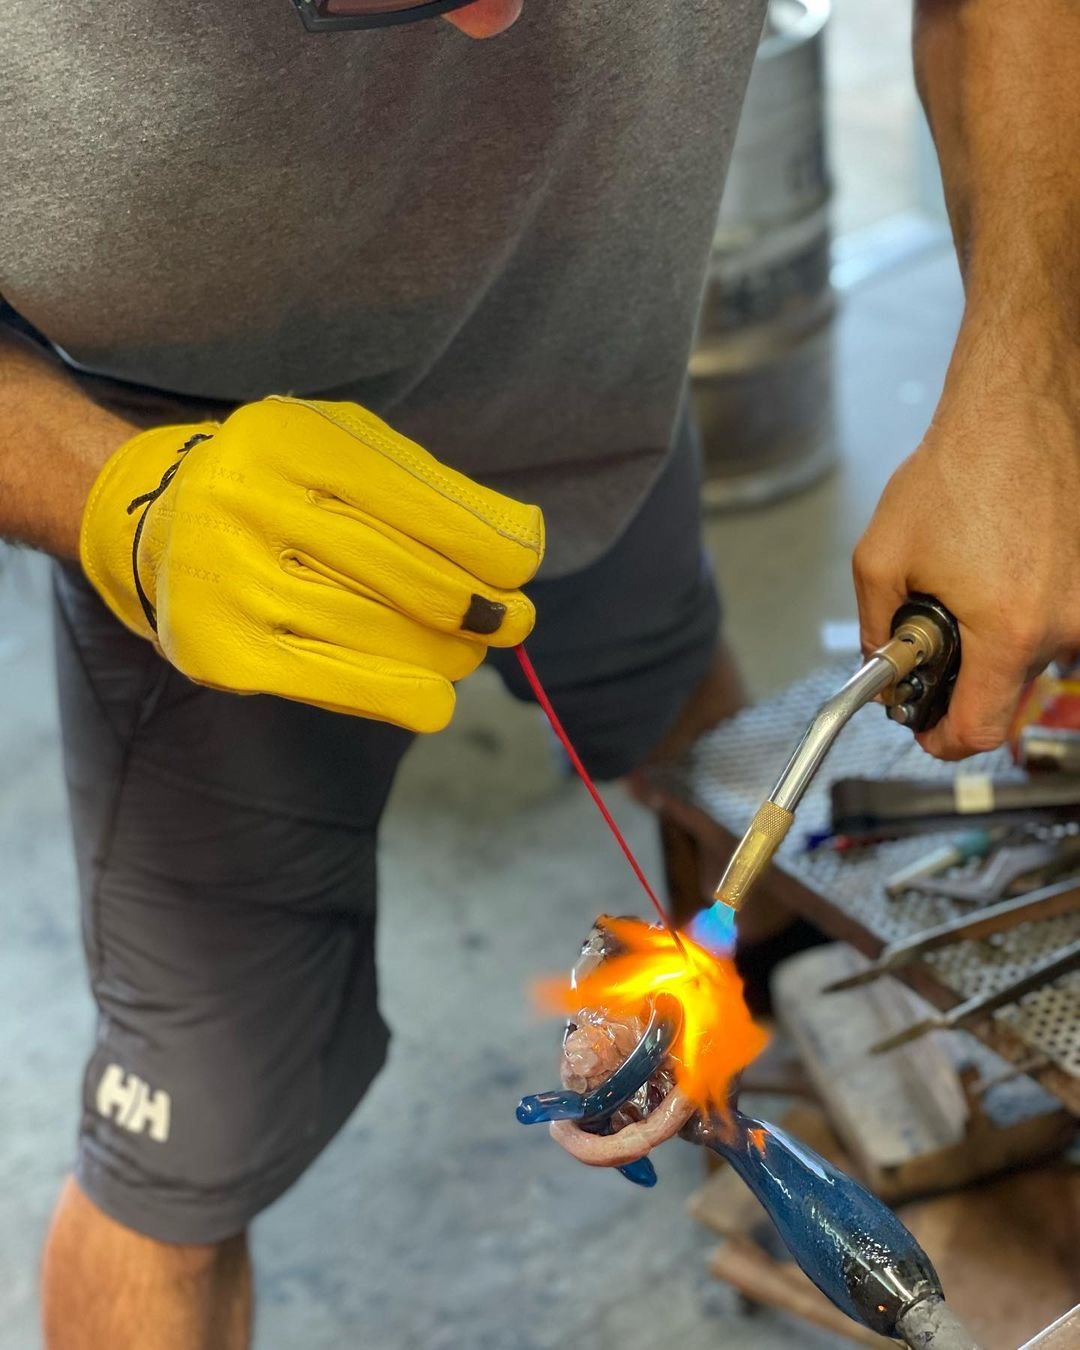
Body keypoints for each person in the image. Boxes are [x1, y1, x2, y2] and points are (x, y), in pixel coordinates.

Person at [1, 0, 1076, 1345]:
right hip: (210, 496)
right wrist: (115, 497)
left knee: (696, 741)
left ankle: (763, 1084)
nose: (503, 20)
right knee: (184, 1144)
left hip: (593, 379)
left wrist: (1022, 376)